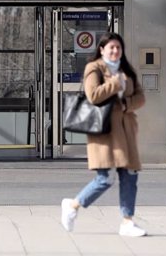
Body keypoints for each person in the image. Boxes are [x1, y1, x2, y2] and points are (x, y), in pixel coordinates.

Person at [60, 32, 147, 237]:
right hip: (105, 131)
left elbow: (141, 97)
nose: (115, 51)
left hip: (126, 130)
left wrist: (126, 103)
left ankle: (127, 221)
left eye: (118, 47)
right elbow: (93, 95)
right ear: (102, 49)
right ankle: (73, 205)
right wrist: (115, 85)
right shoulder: (94, 68)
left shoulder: (127, 69)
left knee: (130, 175)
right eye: (111, 48)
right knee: (105, 178)